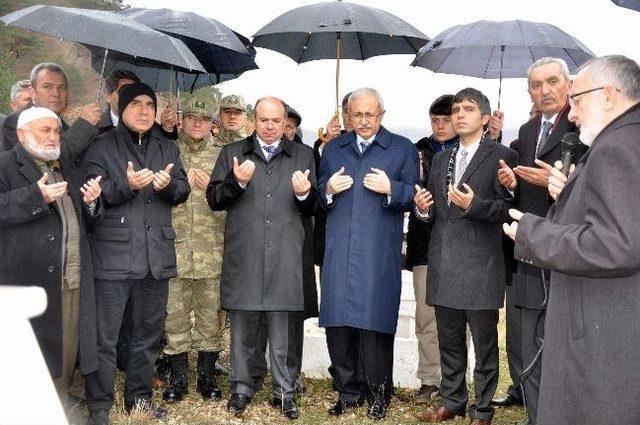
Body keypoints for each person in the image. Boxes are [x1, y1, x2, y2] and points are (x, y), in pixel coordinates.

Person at [503, 55, 640, 425]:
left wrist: (533, 233)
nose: (573, 114)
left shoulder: (617, 148)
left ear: (609, 95)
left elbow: (618, 245)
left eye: (576, 100)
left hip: (604, 329)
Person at [82, 82, 190, 425]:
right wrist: (125, 187)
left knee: (147, 336)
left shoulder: (167, 148)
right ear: (123, 108)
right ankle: (99, 403)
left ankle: (139, 399)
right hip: (112, 259)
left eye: (149, 104)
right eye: (136, 104)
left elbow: (183, 188)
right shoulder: (101, 146)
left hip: (155, 258)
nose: (144, 110)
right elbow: (91, 197)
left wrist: (168, 186)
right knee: (105, 337)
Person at [207, 96, 316, 420]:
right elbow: (214, 198)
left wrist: (303, 194)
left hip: (285, 252)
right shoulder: (232, 153)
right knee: (243, 326)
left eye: (276, 121)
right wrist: (235, 182)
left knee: (283, 327)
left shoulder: (303, 155)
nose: (269, 126)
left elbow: (313, 210)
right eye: (263, 119)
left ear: (285, 123)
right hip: (246, 251)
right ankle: (241, 388)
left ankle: (285, 390)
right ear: (254, 120)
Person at [415, 88, 517, 425]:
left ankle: (483, 410)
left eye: (468, 109)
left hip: (482, 265)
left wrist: (473, 206)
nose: (459, 114)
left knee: (485, 345)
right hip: (443, 262)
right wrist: (423, 210)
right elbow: (436, 214)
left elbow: (508, 210)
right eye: (456, 108)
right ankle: (453, 400)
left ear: (485, 118)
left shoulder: (502, 155)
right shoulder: (442, 158)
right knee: (449, 340)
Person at [318, 87, 419, 420]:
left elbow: (417, 197)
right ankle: (347, 391)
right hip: (339, 250)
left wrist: (394, 189)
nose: (363, 121)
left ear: (382, 114)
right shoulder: (334, 149)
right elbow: (316, 197)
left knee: (375, 325)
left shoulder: (402, 149)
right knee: (339, 323)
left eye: (370, 115)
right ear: (349, 115)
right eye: (357, 115)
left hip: (378, 250)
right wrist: (327, 190)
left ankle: (379, 392)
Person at [493, 57, 583, 423]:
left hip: (569, 251)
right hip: (529, 248)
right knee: (526, 341)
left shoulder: (582, 130)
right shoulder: (527, 131)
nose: (544, 90)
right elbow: (525, 192)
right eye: (535, 84)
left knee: (561, 345)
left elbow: (594, 190)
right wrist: (514, 185)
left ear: (569, 85)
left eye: (552, 81)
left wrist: (559, 186)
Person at [0, 107, 103, 407]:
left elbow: (85, 221)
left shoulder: (65, 166)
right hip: (28, 281)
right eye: (44, 130)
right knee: (27, 355)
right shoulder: (5, 164)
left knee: (65, 351)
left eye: (56, 131)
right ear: (22, 134)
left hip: (70, 278)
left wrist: (92, 204)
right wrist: (36, 196)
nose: (53, 136)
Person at [161, 98, 225, 404]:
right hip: (175, 251)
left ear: (212, 123)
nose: (197, 123)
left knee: (211, 317)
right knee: (174, 317)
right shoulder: (168, 152)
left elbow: (234, 199)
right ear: (181, 121)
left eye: (203, 118)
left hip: (213, 252)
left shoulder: (224, 155)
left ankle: (206, 376)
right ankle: (178, 378)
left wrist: (213, 185)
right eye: (191, 118)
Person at [405, 94, 459, 403]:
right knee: (426, 317)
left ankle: (455, 380)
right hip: (425, 246)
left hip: (459, 249)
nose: (440, 126)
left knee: (455, 318)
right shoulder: (419, 150)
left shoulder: (469, 151)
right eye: (435, 121)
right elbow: (408, 188)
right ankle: (429, 379)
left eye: (446, 120)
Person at [2, 62, 101, 152]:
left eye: (62, 87)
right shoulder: (18, 121)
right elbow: (42, 161)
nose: (56, 93)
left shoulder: (64, 126)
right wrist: (82, 126)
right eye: (47, 87)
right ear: (32, 91)